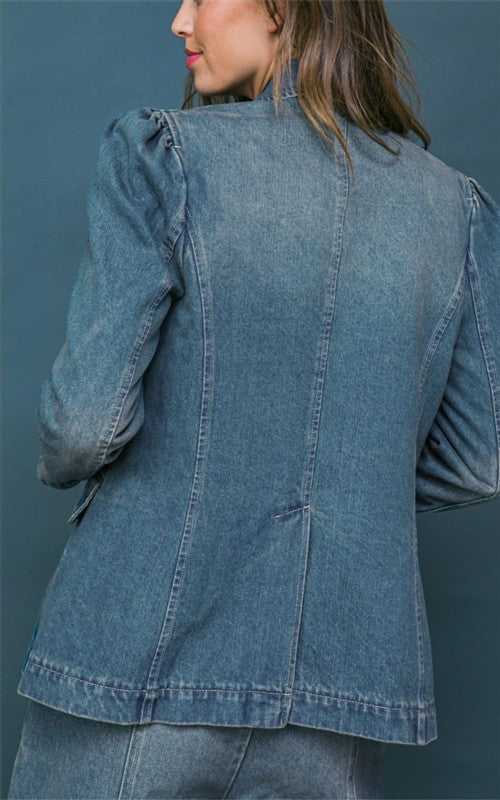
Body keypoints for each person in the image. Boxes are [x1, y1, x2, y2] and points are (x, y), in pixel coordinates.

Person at [8, 0, 499, 797]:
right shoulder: (454, 207)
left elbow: (80, 431)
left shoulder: (165, 157)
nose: (180, 21)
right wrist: (349, 482)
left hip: (142, 663)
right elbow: (478, 463)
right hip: (337, 696)